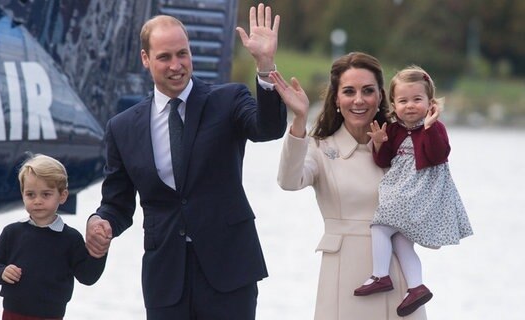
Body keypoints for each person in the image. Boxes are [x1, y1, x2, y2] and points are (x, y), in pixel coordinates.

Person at [84, 3, 286, 319]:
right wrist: (100, 221)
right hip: (165, 278)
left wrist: (265, 66)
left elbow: (268, 128)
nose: (176, 65)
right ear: (146, 59)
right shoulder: (122, 128)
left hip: (229, 271)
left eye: (183, 54)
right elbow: (117, 204)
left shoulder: (228, 100)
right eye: (165, 57)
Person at [272, 52, 427, 319]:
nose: (358, 100)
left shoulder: (404, 147)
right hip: (344, 282)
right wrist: (298, 119)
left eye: (368, 91)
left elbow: (428, 204)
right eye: (348, 91)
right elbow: (288, 181)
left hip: (400, 283)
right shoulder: (320, 148)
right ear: (336, 98)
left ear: (380, 96)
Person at [354, 66, 473, 316]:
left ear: (430, 103)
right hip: (403, 191)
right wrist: (378, 143)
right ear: (394, 103)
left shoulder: (435, 127)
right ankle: (416, 287)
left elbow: (438, 155)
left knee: (380, 226)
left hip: (419, 192)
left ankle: (380, 275)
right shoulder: (395, 129)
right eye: (403, 100)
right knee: (400, 240)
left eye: (417, 99)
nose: (410, 106)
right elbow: (383, 161)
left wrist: (429, 127)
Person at [0, 154, 106, 320]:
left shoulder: (71, 238)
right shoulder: (12, 232)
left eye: (46, 194)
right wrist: (2, 271)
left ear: (62, 195)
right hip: (12, 314)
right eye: (30, 194)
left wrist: (100, 249)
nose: (37, 201)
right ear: (22, 194)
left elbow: (88, 276)